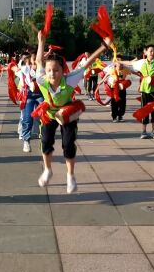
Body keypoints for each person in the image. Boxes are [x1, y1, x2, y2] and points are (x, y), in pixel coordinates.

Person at [35, 30, 111, 194]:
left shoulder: (70, 79)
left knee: (68, 144)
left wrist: (103, 47)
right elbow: (38, 61)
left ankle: (70, 176)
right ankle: (48, 170)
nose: (52, 73)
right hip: (49, 115)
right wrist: (41, 42)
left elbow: (87, 63)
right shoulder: (41, 79)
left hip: (67, 114)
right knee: (46, 142)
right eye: (49, 70)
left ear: (63, 71)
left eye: (56, 70)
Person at [120, 45, 154, 139]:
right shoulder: (141, 63)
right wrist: (119, 62)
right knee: (144, 110)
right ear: (145, 52)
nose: (152, 53)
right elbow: (130, 64)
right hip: (144, 89)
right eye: (150, 51)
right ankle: (144, 131)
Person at [9, 51, 43, 152]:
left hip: (40, 95)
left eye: (33, 62)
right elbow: (13, 67)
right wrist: (13, 67)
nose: (31, 64)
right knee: (27, 119)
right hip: (27, 96)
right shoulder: (23, 70)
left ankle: (44, 136)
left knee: (45, 116)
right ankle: (26, 141)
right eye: (28, 62)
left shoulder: (41, 70)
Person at [99, 58, 130, 122]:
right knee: (114, 103)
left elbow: (133, 71)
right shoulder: (112, 70)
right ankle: (114, 117)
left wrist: (140, 75)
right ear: (115, 64)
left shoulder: (125, 70)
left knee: (123, 103)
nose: (120, 65)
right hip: (114, 88)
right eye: (119, 64)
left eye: (121, 63)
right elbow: (106, 75)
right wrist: (101, 81)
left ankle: (120, 116)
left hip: (122, 88)